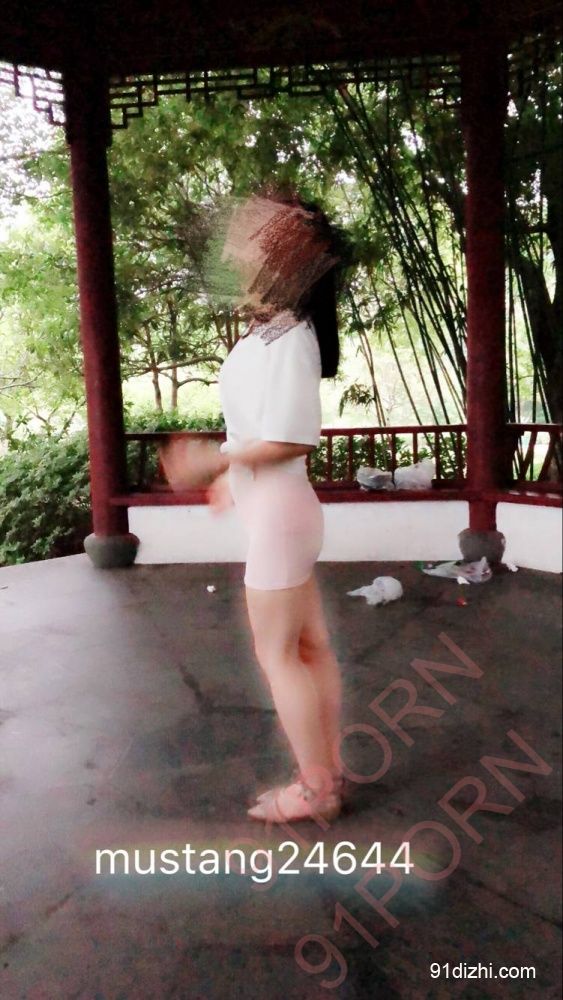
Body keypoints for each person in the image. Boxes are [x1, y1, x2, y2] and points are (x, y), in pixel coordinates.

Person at [160, 190, 347, 823]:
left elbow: (291, 438)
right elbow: (259, 433)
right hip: (282, 512)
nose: (235, 244)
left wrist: (214, 462)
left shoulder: (290, 337)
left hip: (281, 518)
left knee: (279, 656)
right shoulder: (271, 331)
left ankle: (315, 790)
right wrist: (232, 476)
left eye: (250, 233)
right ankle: (329, 773)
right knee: (309, 648)